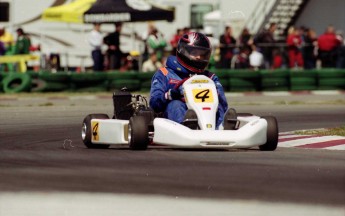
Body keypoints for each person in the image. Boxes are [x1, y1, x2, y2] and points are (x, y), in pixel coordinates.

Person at [150, 32, 233, 129]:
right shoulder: (165, 74)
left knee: (218, 107)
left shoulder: (210, 77)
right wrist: (169, 95)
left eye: (202, 54)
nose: (199, 57)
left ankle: (222, 127)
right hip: (173, 119)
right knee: (176, 105)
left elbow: (224, 104)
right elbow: (154, 103)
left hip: (206, 115)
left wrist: (216, 94)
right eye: (194, 53)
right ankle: (186, 127)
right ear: (183, 51)